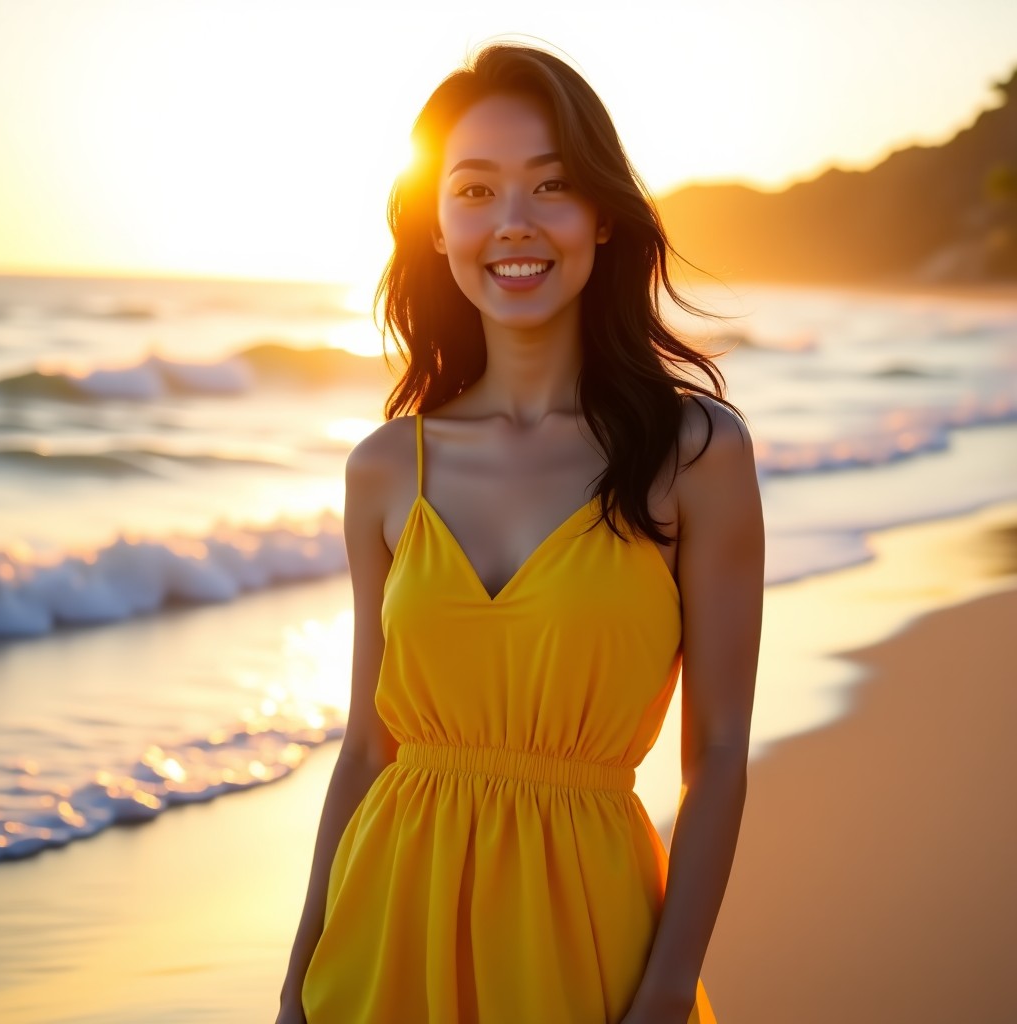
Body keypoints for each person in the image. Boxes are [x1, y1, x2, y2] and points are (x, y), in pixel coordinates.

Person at [277, 41, 763, 1024]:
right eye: (474, 190)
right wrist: (294, 987)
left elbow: (715, 754)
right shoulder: (383, 467)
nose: (513, 224)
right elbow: (369, 748)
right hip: (383, 938)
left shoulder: (695, 451)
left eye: (550, 186)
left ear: (600, 217)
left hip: (589, 937)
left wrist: (668, 989)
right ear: (437, 226)